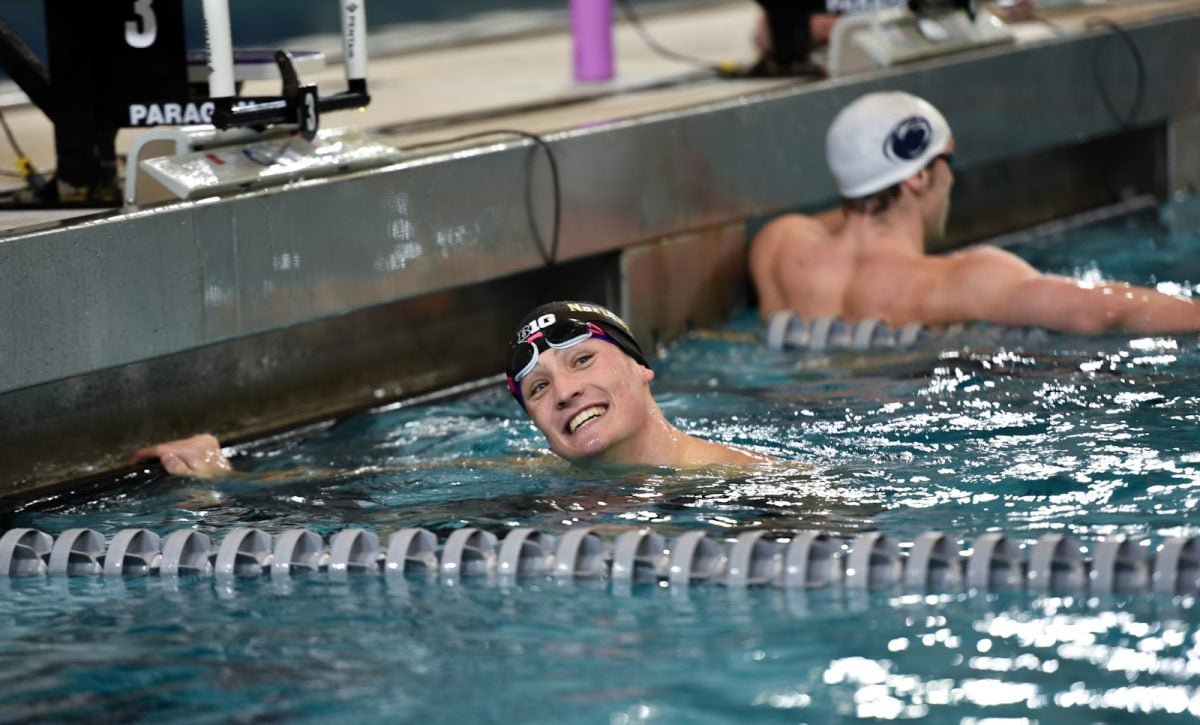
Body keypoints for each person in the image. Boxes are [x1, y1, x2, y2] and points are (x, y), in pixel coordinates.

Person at [131, 301, 769, 477]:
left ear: (641, 367)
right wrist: (219, 473)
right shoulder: (534, 476)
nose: (566, 393)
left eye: (581, 363)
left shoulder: (741, 480)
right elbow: (335, 489)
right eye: (539, 387)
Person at [749, 91, 1200, 335]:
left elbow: (856, 208)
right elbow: (1102, 311)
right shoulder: (956, 279)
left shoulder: (780, 247)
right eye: (948, 162)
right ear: (918, 178)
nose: (954, 180)